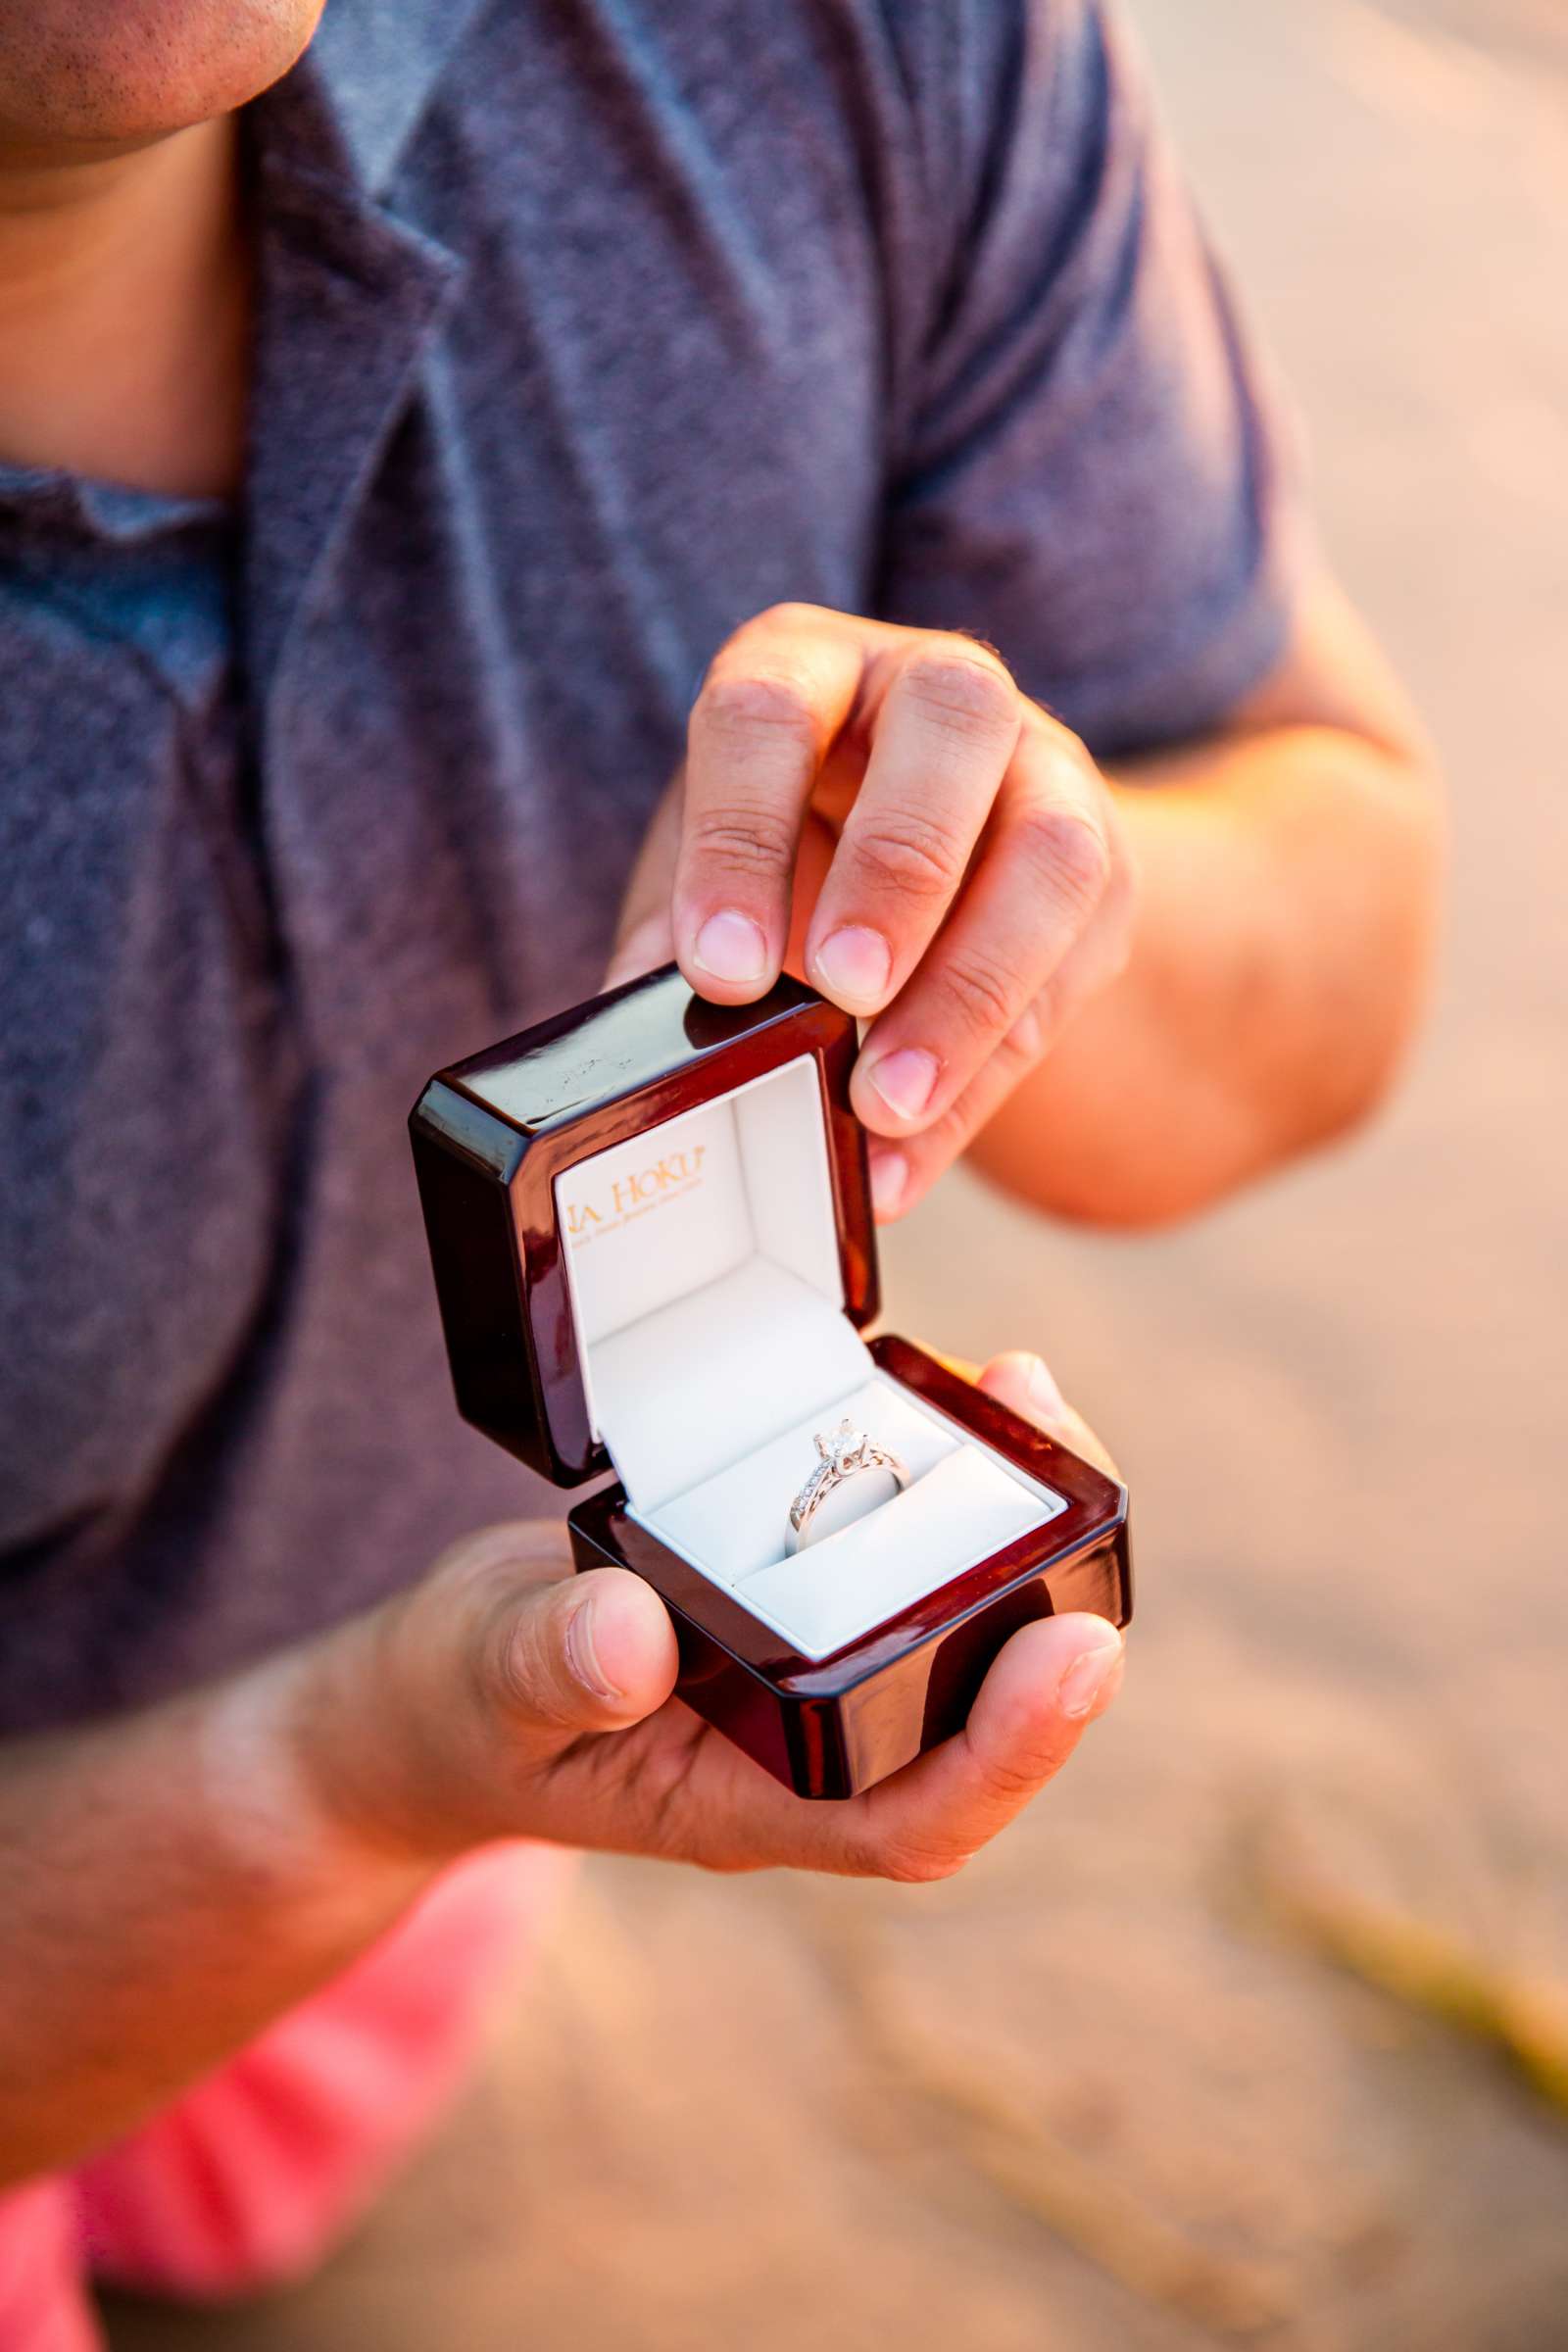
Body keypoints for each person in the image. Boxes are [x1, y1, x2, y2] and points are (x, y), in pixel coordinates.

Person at [0, 0, 1441, 2338]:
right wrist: (342, 1778)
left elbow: (1343, 884)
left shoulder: (854, 47)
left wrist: (1017, 923)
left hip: (431, 1774)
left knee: (259, 2204)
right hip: (234, 1812)